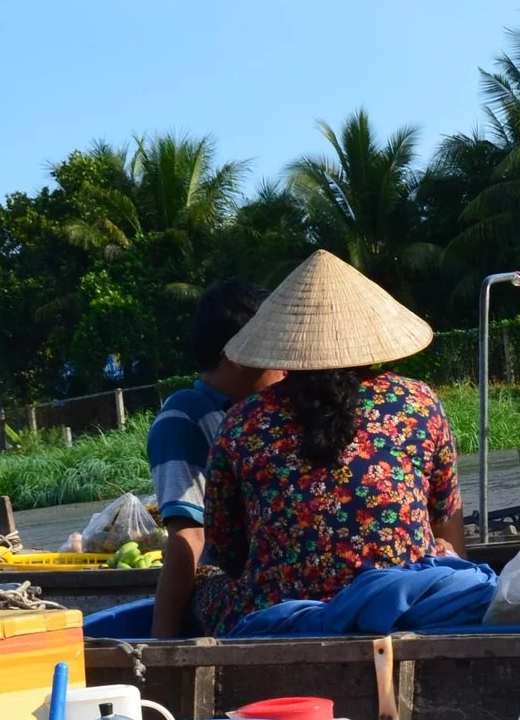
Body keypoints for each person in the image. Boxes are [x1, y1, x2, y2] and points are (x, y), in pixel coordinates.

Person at [185, 251, 465, 636]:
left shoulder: (241, 423)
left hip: (284, 615)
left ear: (287, 342)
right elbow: (446, 520)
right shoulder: (417, 401)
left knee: (205, 580)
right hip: (403, 605)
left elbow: (228, 551)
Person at [148, 278, 285, 638]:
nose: (285, 367)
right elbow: (189, 538)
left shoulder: (270, 412)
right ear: (238, 356)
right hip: (232, 587)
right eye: (273, 353)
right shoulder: (184, 417)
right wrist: (162, 644)